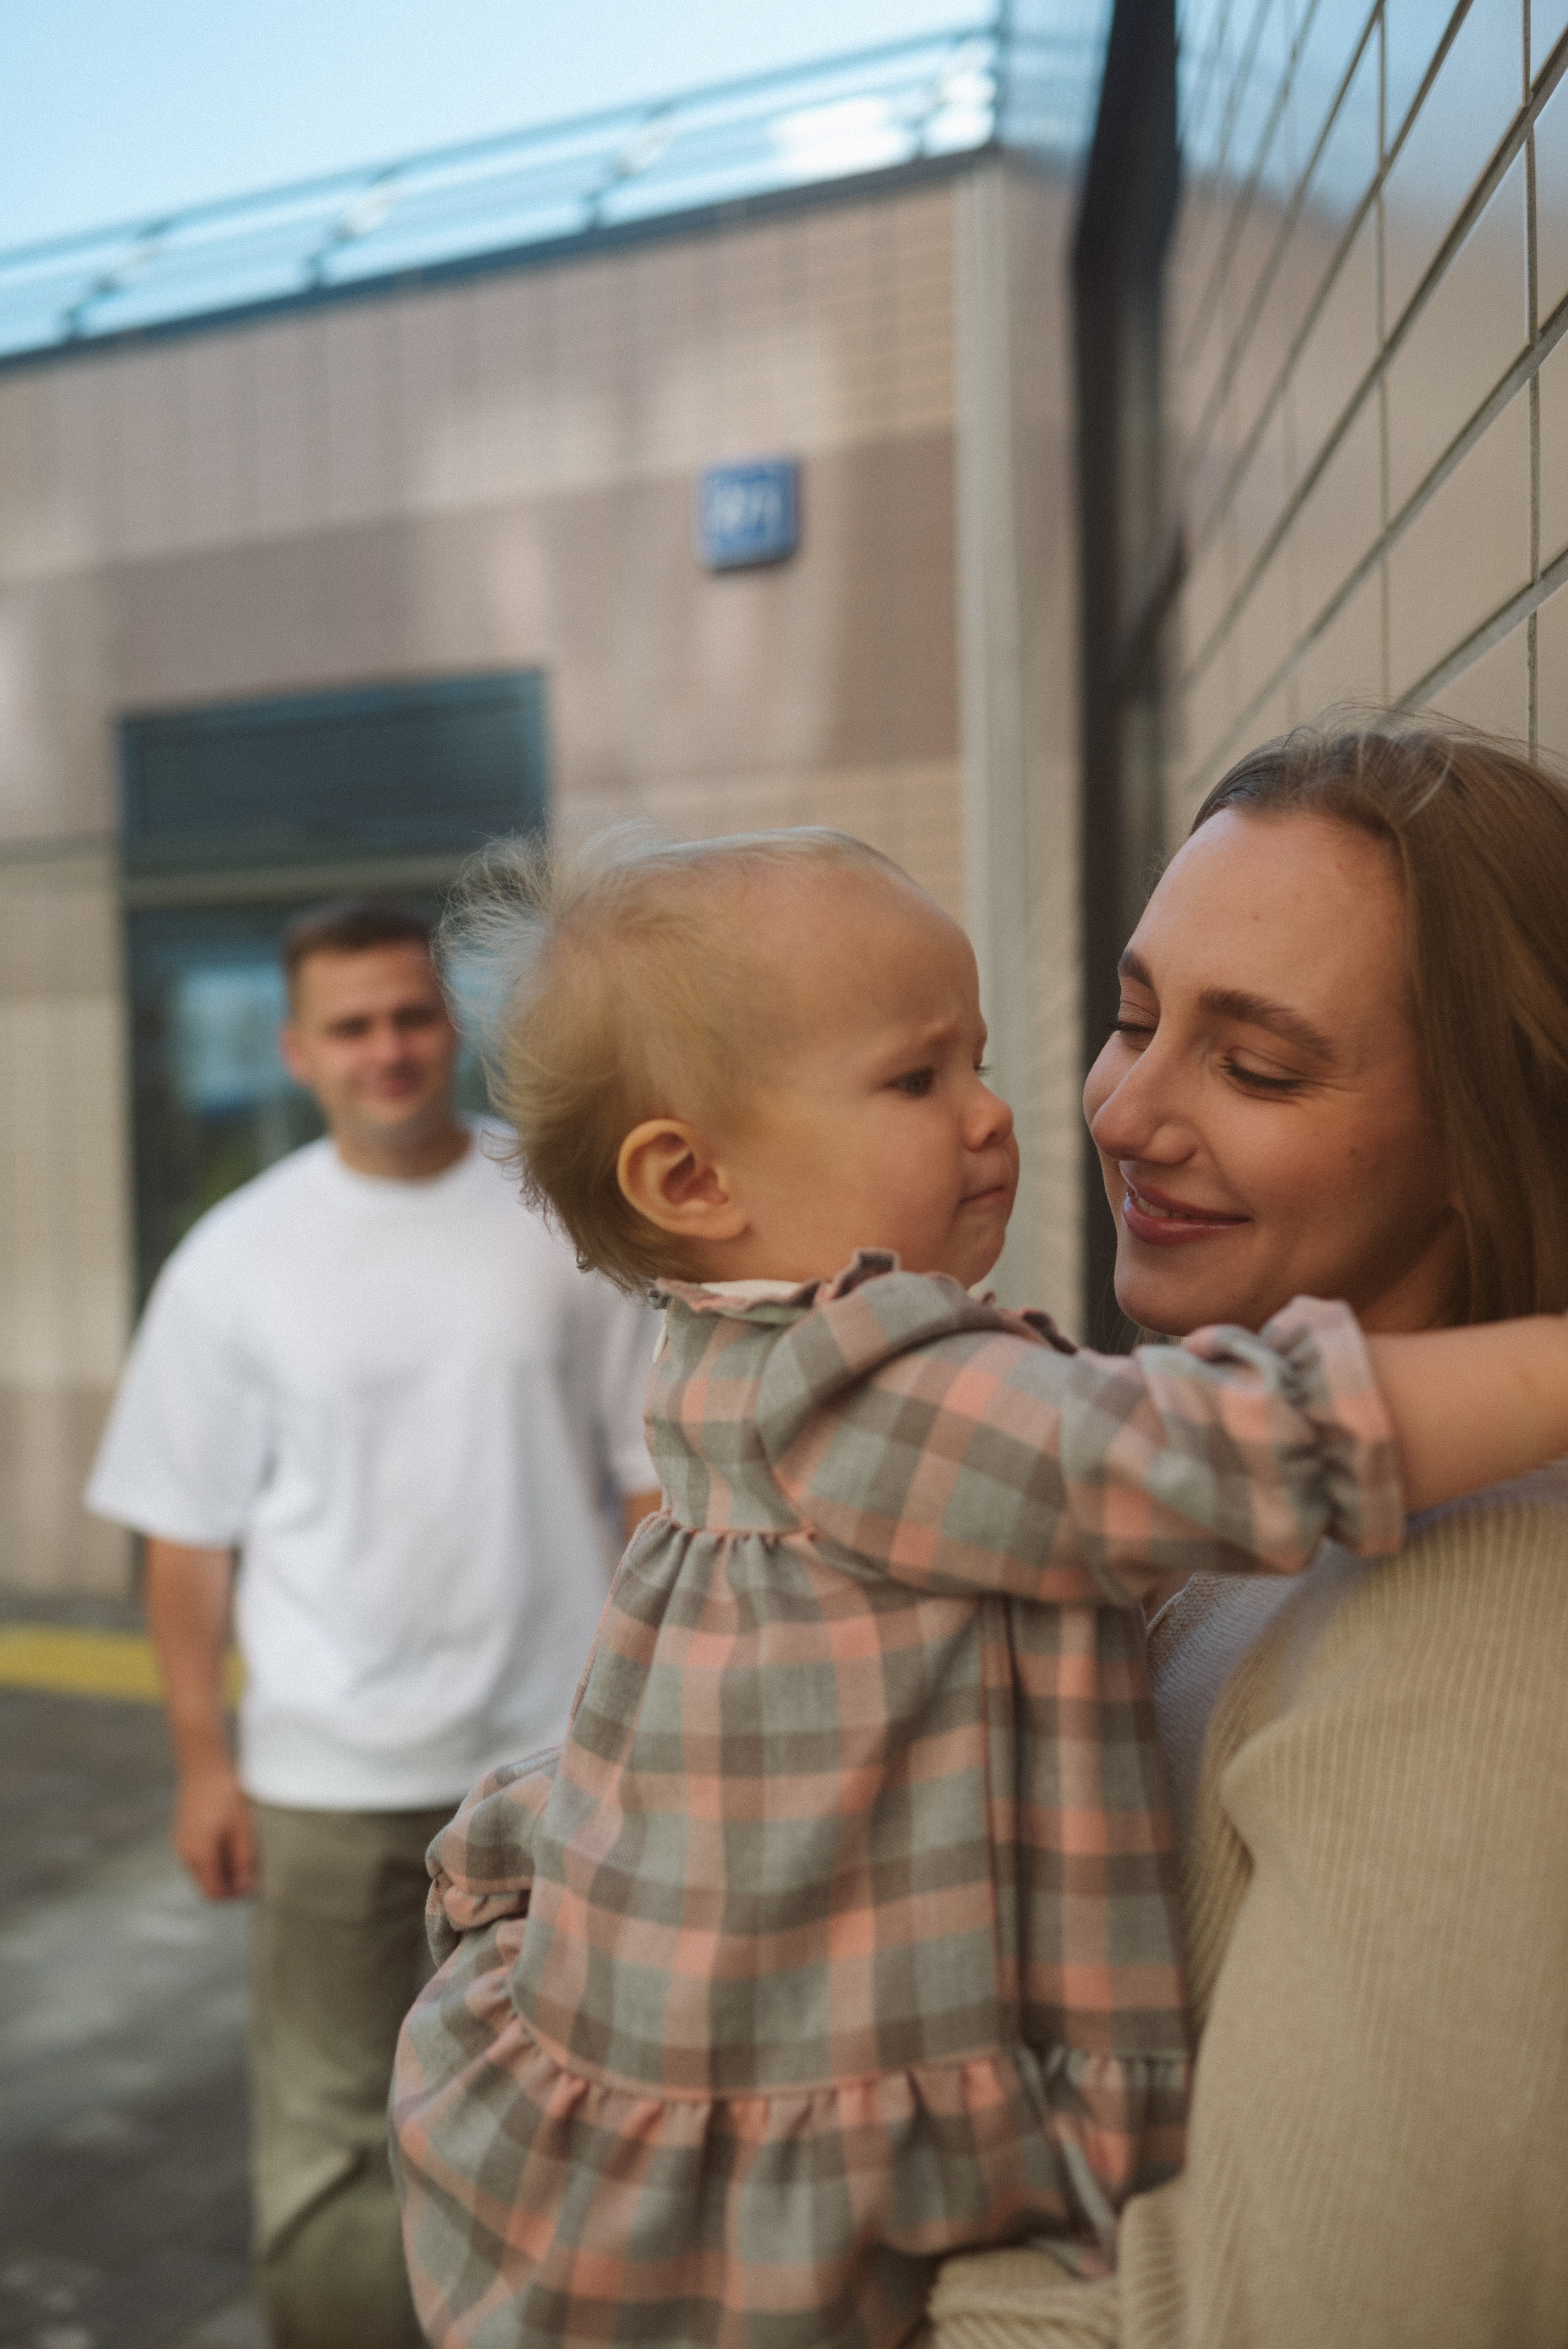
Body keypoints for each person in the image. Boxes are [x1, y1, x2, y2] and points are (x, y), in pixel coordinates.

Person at [386, 825, 1568, 2349]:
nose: (1046, 1117)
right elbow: (1236, 1442)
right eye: (916, 1079)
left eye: (1256, 1065)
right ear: (691, 1175)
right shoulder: (866, 1384)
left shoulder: (748, 1360)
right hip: (774, 2178)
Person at [927, 721, 1568, 2349]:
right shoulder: (1210, 1486)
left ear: (1490, 1126)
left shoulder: (1484, 1609)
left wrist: (793, 2246)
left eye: (1258, 1064)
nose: (1126, 1110)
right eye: (1134, 1017)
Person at [85, 898, 662, 2349]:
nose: (388, 1047)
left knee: (566, 2111)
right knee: (336, 2135)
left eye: (411, 1014)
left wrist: (655, 1722)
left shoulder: (561, 1210)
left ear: (449, 1023)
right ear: (296, 1050)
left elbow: (652, 1482)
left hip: (551, 1762)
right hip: (327, 1779)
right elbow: (185, 1539)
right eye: (351, 1025)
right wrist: (205, 1762)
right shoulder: (232, 1260)